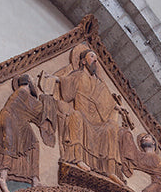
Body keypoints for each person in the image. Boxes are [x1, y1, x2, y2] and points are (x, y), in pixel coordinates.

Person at [51, 45, 131, 183]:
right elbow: (65, 81)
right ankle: (78, 159)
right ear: (83, 61)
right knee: (76, 116)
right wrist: (55, 79)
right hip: (83, 117)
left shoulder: (100, 83)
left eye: (96, 58)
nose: (95, 61)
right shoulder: (78, 75)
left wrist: (118, 107)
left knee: (112, 126)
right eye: (92, 57)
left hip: (97, 121)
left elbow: (108, 102)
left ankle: (111, 170)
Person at [0, 74, 56, 192]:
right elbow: (39, 110)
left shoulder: (20, 94)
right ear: (29, 83)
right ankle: (3, 178)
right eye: (33, 81)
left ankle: (35, 179)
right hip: (12, 119)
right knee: (10, 147)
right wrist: (47, 96)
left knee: (33, 144)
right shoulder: (22, 93)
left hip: (16, 120)